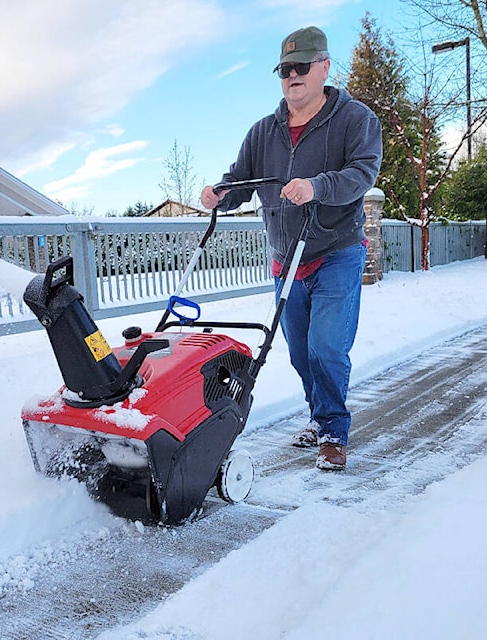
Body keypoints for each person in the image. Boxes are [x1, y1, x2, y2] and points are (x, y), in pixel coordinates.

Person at [201, 25, 382, 471]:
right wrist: (221, 193)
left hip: (336, 251)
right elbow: (240, 178)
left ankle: (334, 431)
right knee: (300, 352)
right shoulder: (264, 131)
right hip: (286, 258)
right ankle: (319, 418)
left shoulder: (355, 120)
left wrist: (317, 186)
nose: (292, 75)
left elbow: (363, 174)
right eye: (285, 69)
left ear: (323, 67)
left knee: (326, 346)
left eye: (302, 66)